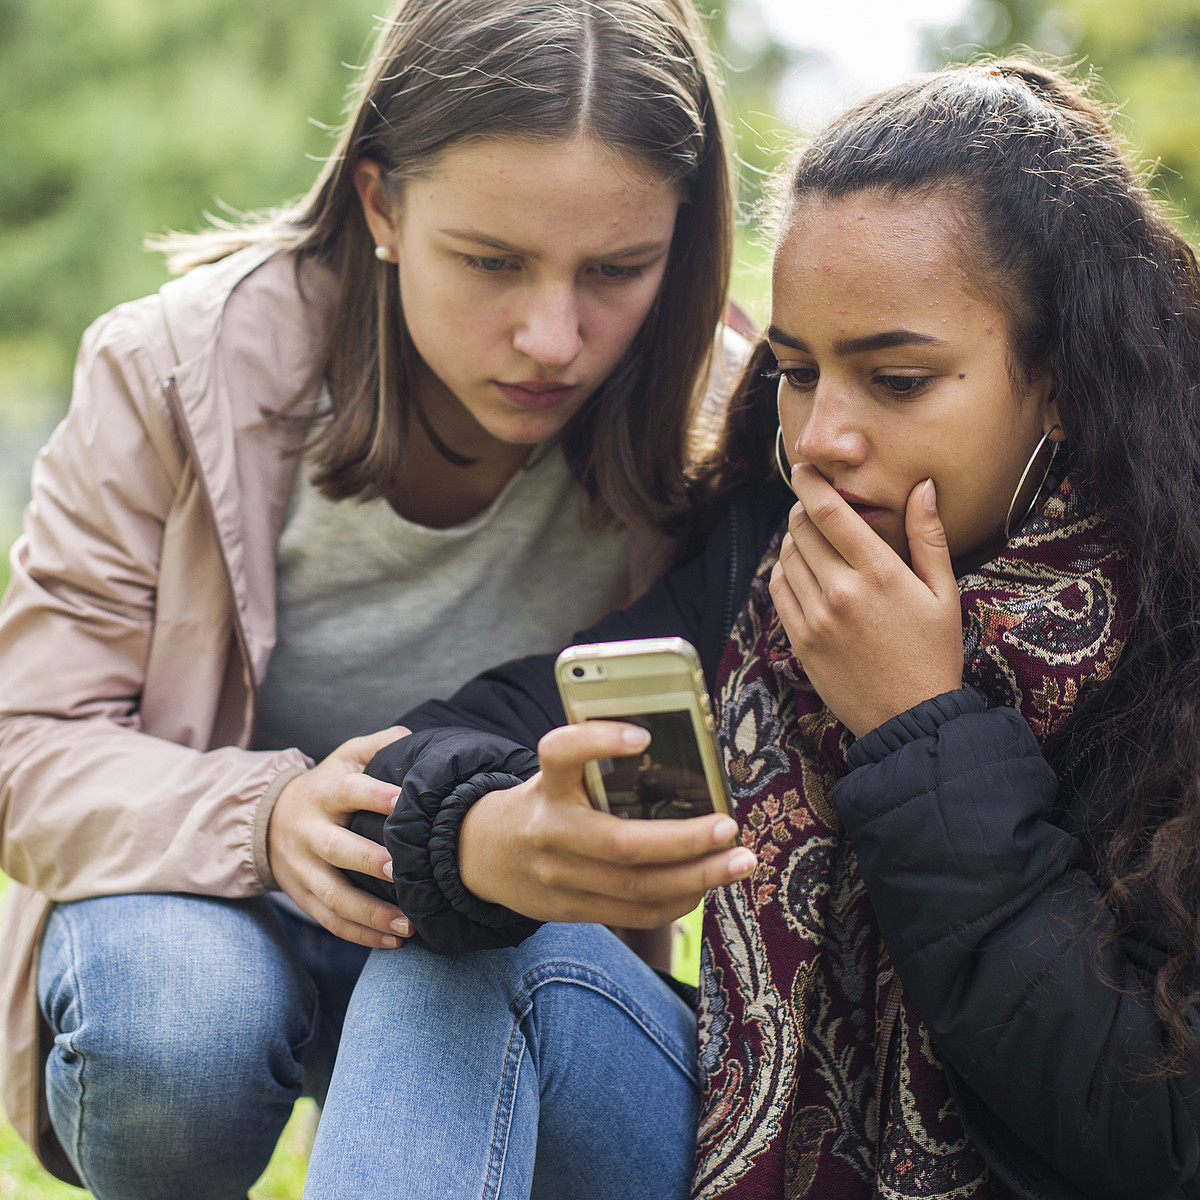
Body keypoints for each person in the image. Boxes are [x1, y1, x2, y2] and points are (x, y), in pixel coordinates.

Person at [310, 59, 1200, 1199]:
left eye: (897, 378)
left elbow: (1161, 1136)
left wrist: (921, 728)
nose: (823, 436)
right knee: (464, 965)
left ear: (1063, 380)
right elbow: (445, 742)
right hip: (745, 1156)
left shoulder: (1169, 617)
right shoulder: (775, 564)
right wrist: (496, 836)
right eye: (796, 372)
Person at [0, 1, 741, 1194]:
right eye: (492, 262)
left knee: (464, 978)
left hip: (500, 928)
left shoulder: (723, 425)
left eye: (617, 269)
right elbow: (23, 743)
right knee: (173, 1019)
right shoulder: (172, 370)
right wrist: (270, 812)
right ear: (381, 204)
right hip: (211, 898)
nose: (555, 337)